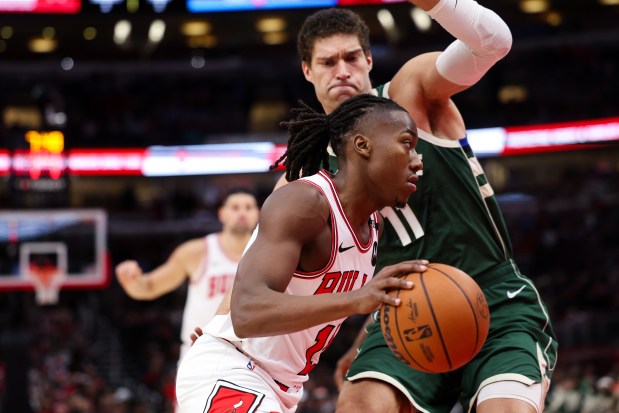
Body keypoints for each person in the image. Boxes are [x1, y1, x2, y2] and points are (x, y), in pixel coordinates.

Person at [291, 3, 557, 413]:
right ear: (307, 70)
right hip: (403, 315)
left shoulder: (408, 93)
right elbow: (265, 265)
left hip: (492, 297)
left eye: (351, 57)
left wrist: (437, 3)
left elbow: (493, 43)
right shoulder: (306, 172)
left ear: (368, 61)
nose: (341, 70)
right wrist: (224, 333)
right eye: (327, 62)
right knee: (358, 406)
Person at [175, 94, 428, 413]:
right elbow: (247, 312)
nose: (418, 159)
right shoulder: (306, 203)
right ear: (362, 145)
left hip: (282, 388)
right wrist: (358, 299)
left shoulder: (373, 224)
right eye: (407, 143)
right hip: (235, 370)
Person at [115, 188, 260, 361]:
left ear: (257, 213)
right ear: (222, 214)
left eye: (248, 207)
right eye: (235, 207)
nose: (242, 212)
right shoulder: (196, 251)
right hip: (202, 353)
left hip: (251, 355)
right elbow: (150, 286)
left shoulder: (268, 255)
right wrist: (132, 282)